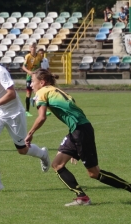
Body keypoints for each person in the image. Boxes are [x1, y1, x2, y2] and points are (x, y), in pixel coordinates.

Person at [25, 68, 131, 206]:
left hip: (79, 131)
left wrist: (30, 133)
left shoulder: (42, 92)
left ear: (42, 82)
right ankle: (82, 197)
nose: (31, 85)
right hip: (78, 130)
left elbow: (41, 117)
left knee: (94, 173)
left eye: (33, 82)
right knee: (57, 164)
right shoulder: (56, 90)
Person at [0, 46, 50, 192]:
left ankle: (42, 154)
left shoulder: (0, 71)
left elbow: (12, 94)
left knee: (22, 149)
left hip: (14, 114)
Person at [22, 42, 43, 117]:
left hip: (36, 77)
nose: (33, 48)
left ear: (36, 48)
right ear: (29, 48)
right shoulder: (28, 56)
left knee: (39, 93)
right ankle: (27, 111)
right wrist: (29, 72)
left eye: (34, 47)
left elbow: (40, 66)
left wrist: (39, 73)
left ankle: (41, 111)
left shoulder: (39, 56)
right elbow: (23, 67)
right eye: (31, 47)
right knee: (29, 93)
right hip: (29, 77)